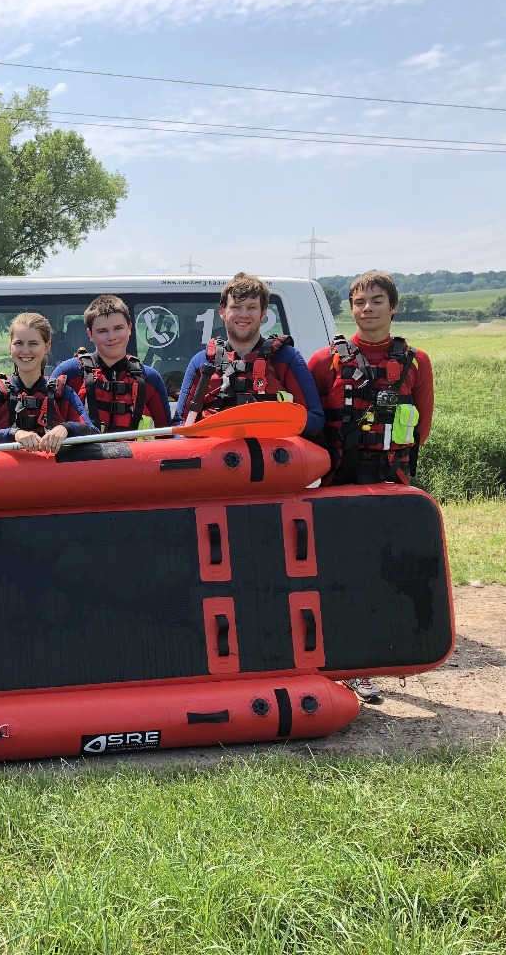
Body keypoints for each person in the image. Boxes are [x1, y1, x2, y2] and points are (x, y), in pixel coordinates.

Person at [307, 270, 434, 706]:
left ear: (393, 306)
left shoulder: (416, 362)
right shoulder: (325, 361)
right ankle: (349, 669)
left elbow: (423, 429)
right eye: (360, 302)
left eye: (376, 301)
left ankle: (379, 659)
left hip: (390, 484)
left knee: (385, 575)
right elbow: (309, 427)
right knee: (338, 576)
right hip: (336, 486)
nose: (367, 309)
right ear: (351, 308)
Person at [176, 272, 324, 437]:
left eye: (252, 307)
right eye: (236, 307)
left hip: (270, 458)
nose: (244, 314)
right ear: (222, 312)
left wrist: (267, 420)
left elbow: (315, 419)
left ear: (263, 313)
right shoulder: (202, 362)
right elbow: (180, 424)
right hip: (215, 458)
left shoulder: (286, 358)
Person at [0, 312, 96, 451]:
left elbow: (92, 433)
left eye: (33, 344)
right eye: (19, 343)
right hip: (8, 472)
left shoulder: (64, 393)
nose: (25, 351)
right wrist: (13, 434)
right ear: (10, 346)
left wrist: (66, 428)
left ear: (47, 347)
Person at [50, 294, 173, 433]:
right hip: (84, 454)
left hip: (135, 454)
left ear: (129, 328)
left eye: (118, 328)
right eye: (102, 331)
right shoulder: (67, 373)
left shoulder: (150, 379)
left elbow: (166, 434)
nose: (112, 337)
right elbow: (49, 427)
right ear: (90, 334)